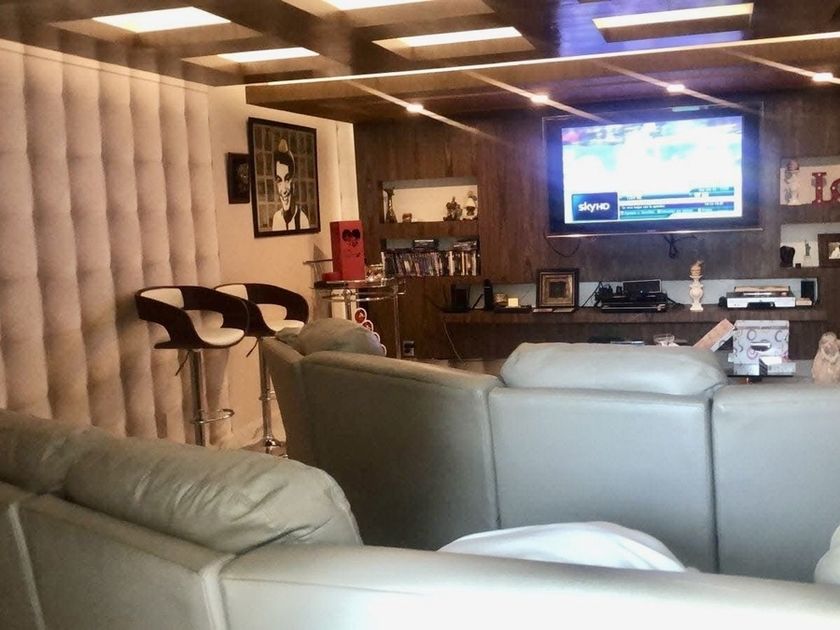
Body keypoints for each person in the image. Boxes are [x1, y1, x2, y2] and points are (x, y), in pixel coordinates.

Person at [271, 138, 310, 231]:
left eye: (287, 179)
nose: (284, 190)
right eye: (279, 180)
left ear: (293, 182)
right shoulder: (276, 219)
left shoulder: (302, 219)